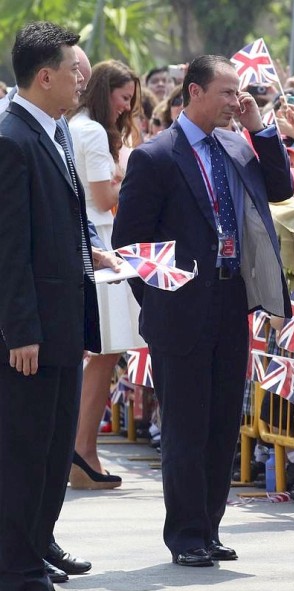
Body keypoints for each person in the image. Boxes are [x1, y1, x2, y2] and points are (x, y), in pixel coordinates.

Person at [113, 54, 294, 567]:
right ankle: (186, 535)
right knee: (186, 428)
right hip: (181, 306)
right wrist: (163, 298)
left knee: (221, 424)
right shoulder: (157, 156)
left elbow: (279, 188)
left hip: (231, 297)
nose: (236, 101)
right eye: (227, 93)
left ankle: (210, 527)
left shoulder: (237, 145)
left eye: (240, 94)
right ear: (193, 92)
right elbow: (131, 244)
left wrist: (259, 124)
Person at [0, 21, 107, 591]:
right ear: (45, 77)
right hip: (31, 333)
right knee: (24, 454)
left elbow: (56, 221)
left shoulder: (56, 132)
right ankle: (17, 573)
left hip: (64, 321)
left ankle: (36, 553)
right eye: (75, 70)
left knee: (52, 449)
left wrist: (93, 252)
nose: (83, 79)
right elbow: (8, 247)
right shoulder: (11, 139)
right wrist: (20, 330)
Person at [68, 59, 145, 490]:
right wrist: (133, 169)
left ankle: (81, 451)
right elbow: (102, 198)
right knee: (103, 353)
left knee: (97, 353)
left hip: (86, 245)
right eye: (122, 98)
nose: (125, 107)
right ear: (105, 92)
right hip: (101, 247)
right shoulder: (93, 131)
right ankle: (82, 451)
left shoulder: (74, 125)